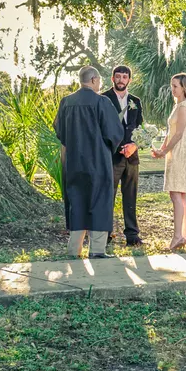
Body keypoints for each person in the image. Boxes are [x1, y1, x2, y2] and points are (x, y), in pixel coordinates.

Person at [54, 66, 123, 259]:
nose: (100, 85)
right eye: (99, 81)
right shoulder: (102, 102)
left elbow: (60, 131)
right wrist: (110, 148)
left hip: (74, 160)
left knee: (77, 200)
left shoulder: (66, 102)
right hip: (98, 160)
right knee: (100, 200)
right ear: (93, 80)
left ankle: (73, 249)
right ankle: (97, 250)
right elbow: (114, 133)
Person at [150, 72, 186, 251]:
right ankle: (184, 235)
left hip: (179, 152)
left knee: (177, 194)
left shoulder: (184, 107)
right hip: (174, 151)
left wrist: (165, 151)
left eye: (175, 86)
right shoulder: (178, 106)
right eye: (172, 86)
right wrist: (162, 149)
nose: (172, 89)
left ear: (184, 87)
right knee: (179, 194)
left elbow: (178, 134)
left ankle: (179, 235)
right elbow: (171, 132)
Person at [102, 65, 144, 247]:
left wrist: (134, 146)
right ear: (112, 78)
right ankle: (105, 235)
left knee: (131, 196)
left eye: (124, 77)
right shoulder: (103, 99)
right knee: (107, 196)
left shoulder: (136, 101)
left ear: (129, 80)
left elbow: (140, 128)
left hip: (132, 157)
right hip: (111, 157)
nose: (121, 80)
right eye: (118, 76)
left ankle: (132, 236)